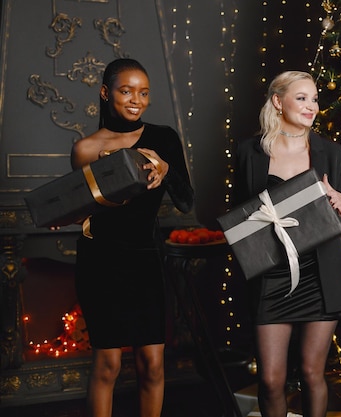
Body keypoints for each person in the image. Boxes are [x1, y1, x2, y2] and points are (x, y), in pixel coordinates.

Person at [71, 58, 194, 417]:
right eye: (126, 91)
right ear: (106, 93)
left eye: (143, 92)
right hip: (100, 263)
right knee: (107, 365)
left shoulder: (163, 139)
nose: (135, 99)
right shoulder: (85, 149)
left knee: (152, 365)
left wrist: (166, 170)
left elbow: (186, 202)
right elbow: (83, 209)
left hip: (145, 260)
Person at [233, 70, 341, 417]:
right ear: (277, 101)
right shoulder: (249, 152)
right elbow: (240, 214)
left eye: (314, 99)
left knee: (312, 372)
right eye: (301, 98)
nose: (311, 106)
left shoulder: (331, 152)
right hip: (271, 275)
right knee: (271, 379)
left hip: (320, 275)